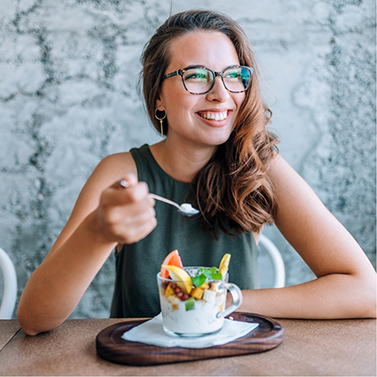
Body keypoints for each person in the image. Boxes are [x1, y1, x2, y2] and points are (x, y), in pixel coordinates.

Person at [17, 10, 376, 335]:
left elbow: (365, 291)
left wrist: (222, 300)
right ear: (158, 96)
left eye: (233, 76)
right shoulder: (122, 171)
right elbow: (34, 319)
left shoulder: (258, 167)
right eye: (197, 76)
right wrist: (97, 232)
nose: (221, 93)